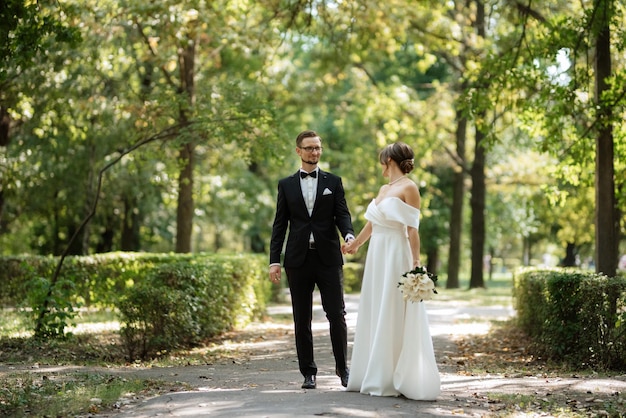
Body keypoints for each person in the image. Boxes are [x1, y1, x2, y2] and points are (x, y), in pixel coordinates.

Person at [342, 141, 440, 400]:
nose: (381, 166)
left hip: (396, 251)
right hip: (377, 253)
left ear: (391, 161)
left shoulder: (410, 187)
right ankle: (371, 372)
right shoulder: (384, 188)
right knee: (376, 305)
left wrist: (416, 262)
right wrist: (356, 244)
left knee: (392, 307)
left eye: (383, 161)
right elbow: (373, 223)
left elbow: (412, 229)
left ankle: (391, 375)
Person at [269, 130, 355, 390]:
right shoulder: (286, 184)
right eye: (308, 148)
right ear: (298, 151)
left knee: (337, 315)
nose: (314, 152)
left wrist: (349, 235)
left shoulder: (334, 181)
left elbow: (343, 215)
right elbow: (279, 225)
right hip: (298, 260)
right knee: (301, 318)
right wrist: (274, 260)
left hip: (328, 258)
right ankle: (308, 372)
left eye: (317, 148)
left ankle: (343, 369)